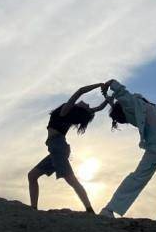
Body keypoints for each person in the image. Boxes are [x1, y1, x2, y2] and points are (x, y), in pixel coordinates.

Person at [99, 79, 156, 222]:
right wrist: (111, 83)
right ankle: (109, 209)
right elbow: (123, 94)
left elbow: (120, 102)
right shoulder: (134, 104)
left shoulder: (139, 105)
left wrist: (109, 99)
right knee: (138, 178)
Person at [28, 82, 108, 213]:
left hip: (58, 147)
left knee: (71, 180)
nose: (87, 103)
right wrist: (109, 97)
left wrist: (100, 85)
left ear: (82, 110)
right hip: (56, 148)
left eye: (87, 105)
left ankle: (90, 210)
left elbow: (80, 91)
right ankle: (33, 209)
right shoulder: (70, 114)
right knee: (32, 176)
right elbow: (99, 108)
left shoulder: (66, 111)